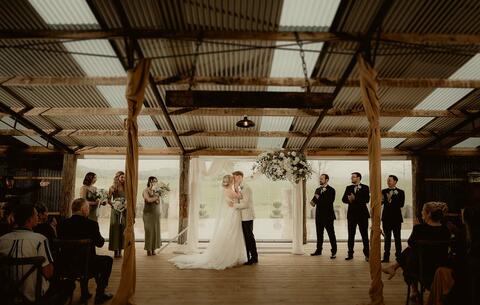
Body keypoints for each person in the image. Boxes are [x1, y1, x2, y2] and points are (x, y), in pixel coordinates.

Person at [169, 175, 247, 270]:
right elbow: (240, 196)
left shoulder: (226, 190)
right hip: (233, 214)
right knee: (232, 233)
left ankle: (236, 254)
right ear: (231, 182)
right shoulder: (229, 191)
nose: (234, 180)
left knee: (233, 233)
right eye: (233, 180)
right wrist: (238, 188)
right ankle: (231, 255)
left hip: (233, 212)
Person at [0, 204, 73, 305]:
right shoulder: (40, 240)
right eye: (35, 215)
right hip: (35, 296)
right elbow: (48, 273)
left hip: (6, 296)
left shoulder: (2, 240)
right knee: (69, 285)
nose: (37, 217)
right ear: (29, 219)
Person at [382, 202, 451, 302]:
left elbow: (411, 243)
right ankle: (394, 267)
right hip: (439, 267)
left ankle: (413, 289)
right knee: (411, 252)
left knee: (410, 253)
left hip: (421, 268)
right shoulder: (445, 230)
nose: (421, 213)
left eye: (423, 211)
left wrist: (416, 228)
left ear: (428, 214)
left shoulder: (419, 229)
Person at [58, 198, 113, 304]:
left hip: (66, 265)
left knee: (84, 258)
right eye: (87, 208)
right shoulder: (91, 224)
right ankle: (100, 294)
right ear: (83, 209)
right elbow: (100, 243)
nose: (88, 210)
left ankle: (85, 292)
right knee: (107, 260)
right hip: (88, 266)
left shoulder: (62, 224)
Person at [342, 172, 370, 261]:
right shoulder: (348, 188)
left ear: (358, 178)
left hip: (363, 215)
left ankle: (367, 255)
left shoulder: (365, 187)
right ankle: (350, 254)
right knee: (351, 235)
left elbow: (367, 200)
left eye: (353, 177)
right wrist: (349, 200)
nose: (351, 179)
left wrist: (355, 199)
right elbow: (343, 199)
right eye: (351, 177)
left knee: (364, 235)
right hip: (351, 215)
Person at [232, 171, 258, 265]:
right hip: (243, 216)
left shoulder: (246, 188)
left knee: (249, 237)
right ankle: (248, 257)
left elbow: (246, 204)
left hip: (247, 216)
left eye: (234, 178)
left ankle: (254, 258)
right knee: (246, 237)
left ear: (239, 177)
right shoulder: (241, 187)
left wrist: (234, 205)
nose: (234, 180)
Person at [310, 174, 337, 259]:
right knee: (319, 234)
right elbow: (313, 203)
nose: (320, 180)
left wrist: (318, 198)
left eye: (322, 179)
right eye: (320, 179)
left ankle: (334, 252)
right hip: (318, 215)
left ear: (327, 180)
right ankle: (318, 250)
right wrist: (313, 201)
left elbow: (329, 202)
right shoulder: (317, 189)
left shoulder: (332, 190)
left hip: (328, 216)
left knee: (331, 234)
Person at [381, 175, 405, 263]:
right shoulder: (383, 191)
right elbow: (380, 203)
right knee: (387, 238)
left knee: (397, 238)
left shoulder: (401, 192)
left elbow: (401, 204)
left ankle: (399, 257)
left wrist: (390, 200)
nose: (388, 181)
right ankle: (386, 257)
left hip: (396, 218)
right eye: (387, 180)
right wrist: (382, 200)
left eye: (390, 180)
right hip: (386, 218)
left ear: (395, 181)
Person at [108, 171, 126, 258]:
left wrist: (125, 205)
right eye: (122, 177)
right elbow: (108, 200)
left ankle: (121, 250)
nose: (123, 179)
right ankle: (115, 251)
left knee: (123, 229)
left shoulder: (127, 187)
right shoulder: (112, 188)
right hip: (115, 211)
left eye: (124, 177)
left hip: (124, 211)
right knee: (115, 229)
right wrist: (115, 205)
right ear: (118, 177)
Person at [142, 176, 161, 256]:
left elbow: (157, 202)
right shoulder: (145, 190)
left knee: (155, 231)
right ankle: (148, 250)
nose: (155, 182)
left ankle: (153, 249)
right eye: (154, 181)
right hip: (148, 214)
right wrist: (156, 197)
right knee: (149, 232)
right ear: (150, 181)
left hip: (156, 214)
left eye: (156, 181)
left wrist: (157, 195)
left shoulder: (157, 191)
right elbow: (148, 200)